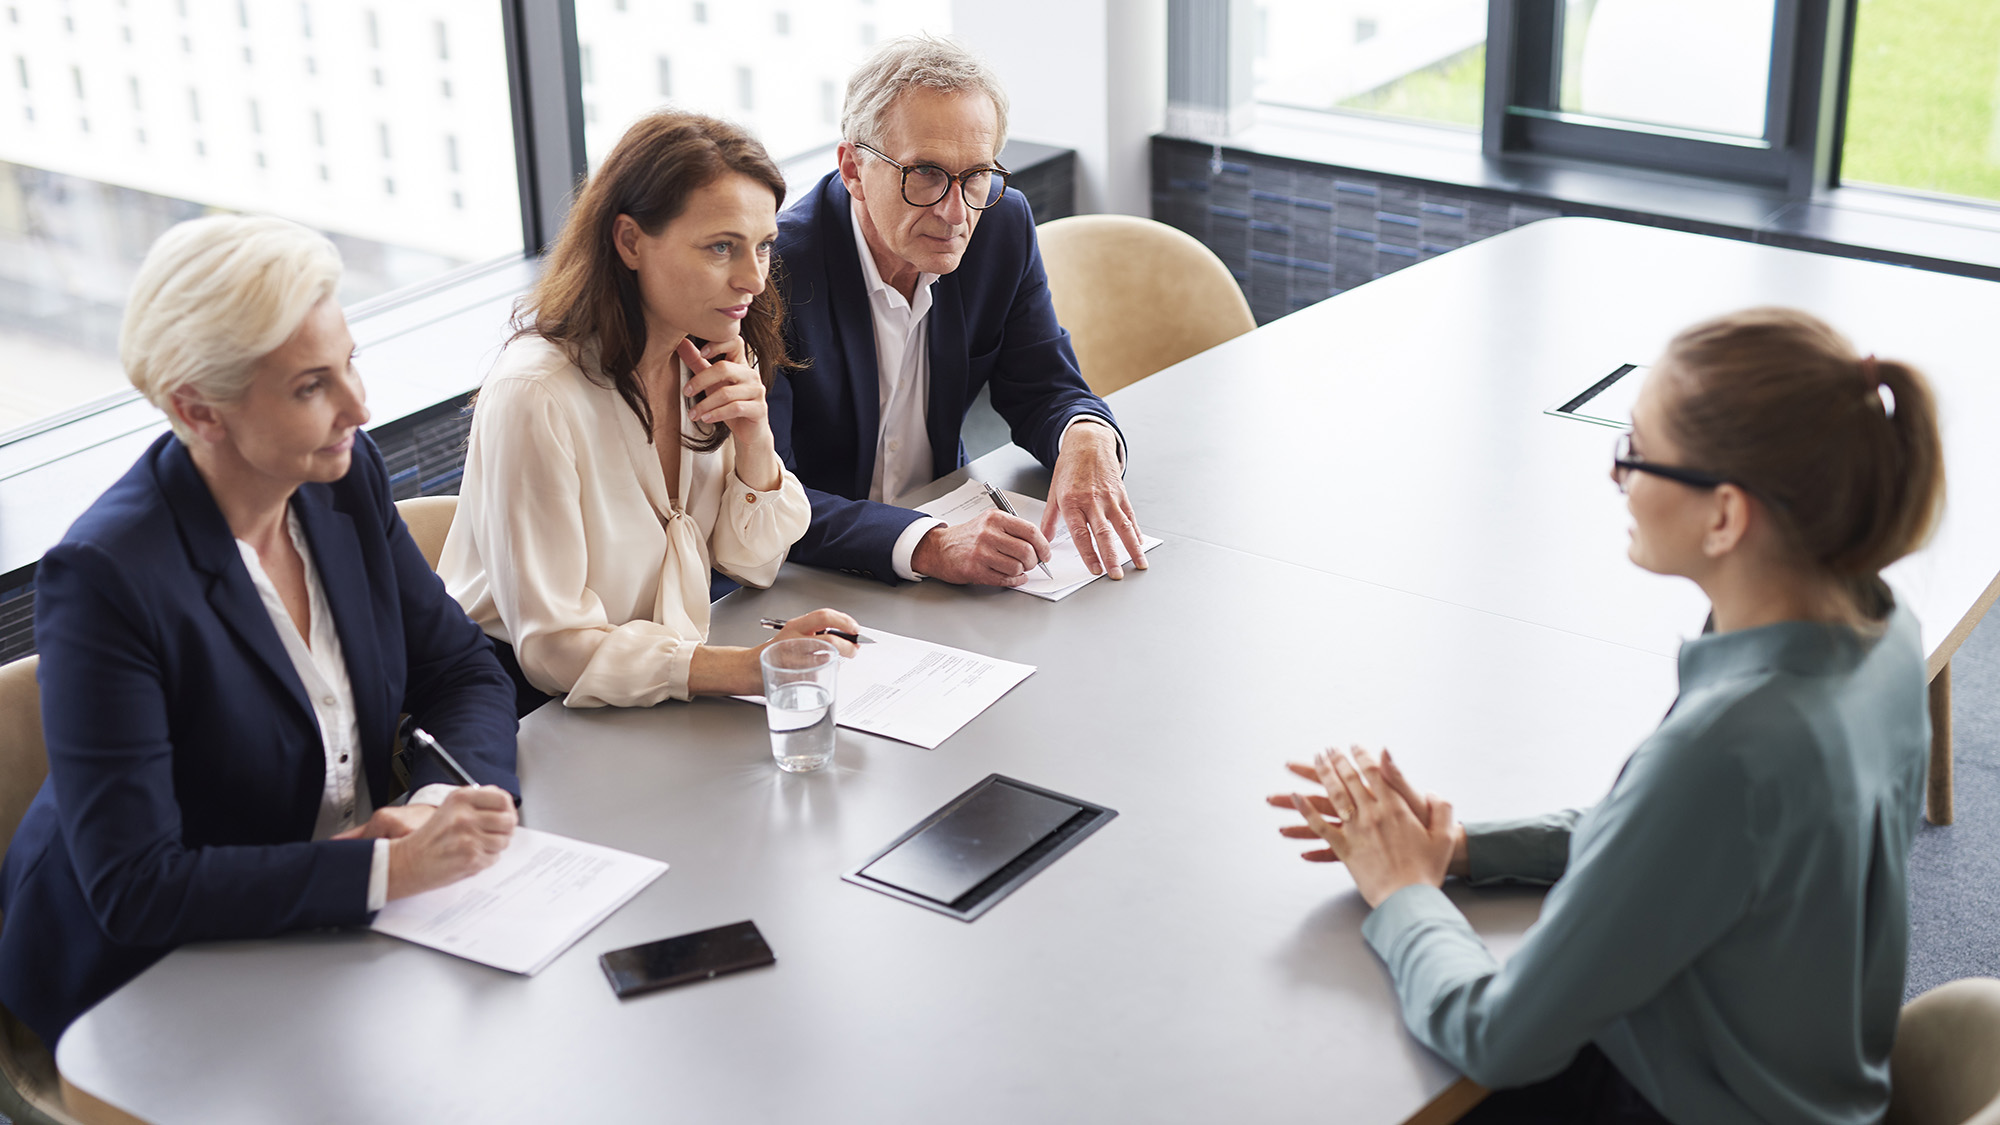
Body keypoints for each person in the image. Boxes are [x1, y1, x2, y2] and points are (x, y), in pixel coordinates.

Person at [1271, 308, 1944, 1124]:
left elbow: (1496, 1036)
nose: (1617, 476)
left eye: (1635, 451)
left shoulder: (1729, 747)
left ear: (1725, 516)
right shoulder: (1882, 627)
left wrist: (1404, 890)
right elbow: (1682, 835)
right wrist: (1464, 848)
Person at [0, 215, 522, 1048]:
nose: (359, 404)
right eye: (312, 386)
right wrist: (385, 869)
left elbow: (461, 670)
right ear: (197, 409)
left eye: (349, 360)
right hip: (146, 976)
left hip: (338, 927)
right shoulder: (105, 580)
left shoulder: (340, 485)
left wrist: (434, 805)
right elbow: (138, 885)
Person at [439, 111, 858, 717]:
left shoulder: (706, 352)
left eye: (763, 246)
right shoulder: (536, 394)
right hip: (533, 711)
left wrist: (755, 439)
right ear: (630, 241)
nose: (753, 279)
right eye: (721, 247)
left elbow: (754, 563)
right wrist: (750, 666)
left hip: (656, 686)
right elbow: (553, 650)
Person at [771, 34, 1148, 588]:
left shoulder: (1000, 226)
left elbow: (1044, 386)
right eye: (925, 172)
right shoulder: (772, 274)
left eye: (976, 174)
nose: (955, 212)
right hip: (811, 577)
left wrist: (1086, 435)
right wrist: (927, 543)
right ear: (853, 169)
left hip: (952, 550)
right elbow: (761, 497)